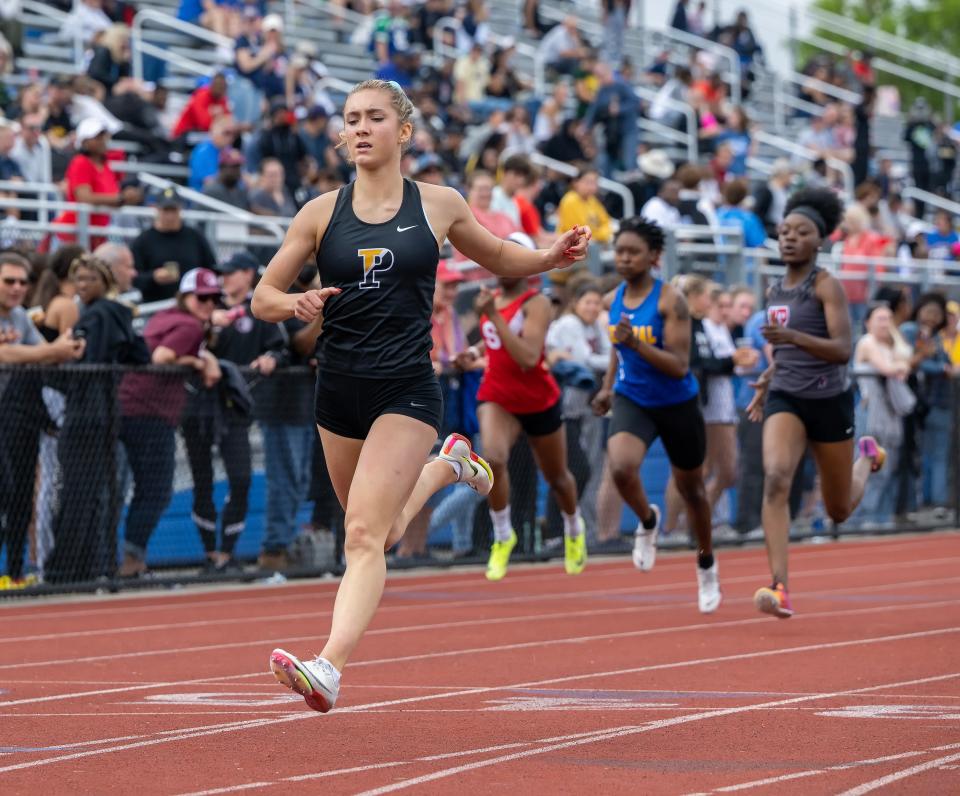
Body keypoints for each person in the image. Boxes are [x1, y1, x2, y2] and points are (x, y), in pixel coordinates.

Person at [250, 79, 589, 712]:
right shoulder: (321, 212)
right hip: (338, 389)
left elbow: (496, 257)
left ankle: (329, 666)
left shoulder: (439, 204)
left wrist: (549, 258)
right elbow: (261, 297)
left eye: (374, 117)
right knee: (378, 534)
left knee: (359, 535)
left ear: (402, 131)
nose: (359, 128)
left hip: (405, 387)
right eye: (351, 119)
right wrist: (291, 303)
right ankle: (450, 465)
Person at [747, 188, 887, 619]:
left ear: (819, 240)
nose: (789, 238)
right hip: (787, 395)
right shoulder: (774, 289)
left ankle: (867, 457)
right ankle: (779, 586)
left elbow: (842, 348)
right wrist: (766, 382)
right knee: (776, 478)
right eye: (785, 230)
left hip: (829, 400)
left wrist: (790, 338)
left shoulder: (826, 284)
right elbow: (785, 352)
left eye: (801, 232)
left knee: (839, 509)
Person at [591, 218, 720, 613]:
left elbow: (680, 365)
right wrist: (609, 387)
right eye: (620, 251)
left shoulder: (671, 302)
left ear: (653, 257)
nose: (625, 258)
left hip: (677, 403)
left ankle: (705, 563)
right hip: (634, 398)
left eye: (633, 252)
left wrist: (637, 345)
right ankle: (647, 521)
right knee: (621, 468)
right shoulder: (614, 297)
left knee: (693, 491)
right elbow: (618, 346)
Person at [456, 237, 588, 581]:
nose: (502, 264)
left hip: (536, 398)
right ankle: (503, 535)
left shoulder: (537, 302)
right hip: (498, 395)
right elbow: (496, 341)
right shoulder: (493, 302)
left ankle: (574, 528)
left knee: (558, 477)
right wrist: (474, 353)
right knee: (493, 459)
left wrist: (493, 318)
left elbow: (529, 357)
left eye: (512, 257)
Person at [44, 254, 149, 584]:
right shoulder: (119, 314)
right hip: (105, 414)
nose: (83, 285)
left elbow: (81, 363)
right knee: (98, 493)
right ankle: (95, 566)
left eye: (90, 279)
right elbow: (140, 354)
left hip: (84, 414)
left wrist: (58, 361)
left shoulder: (97, 314)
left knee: (76, 492)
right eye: (79, 279)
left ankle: (65, 571)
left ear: (105, 282)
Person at [117, 268, 221, 577]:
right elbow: (162, 356)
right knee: (157, 490)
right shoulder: (189, 326)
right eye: (202, 297)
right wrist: (193, 361)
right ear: (185, 297)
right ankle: (132, 560)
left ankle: (126, 559)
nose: (208, 303)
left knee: (132, 489)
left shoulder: (165, 317)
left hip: (128, 407)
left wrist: (201, 359)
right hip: (149, 413)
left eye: (214, 298)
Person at [0, 252, 84, 584]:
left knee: (14, 491)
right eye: (9, 281)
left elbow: (41, 354)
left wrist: (66, 346)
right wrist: (54, 350)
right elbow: (6, 355)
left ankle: (16, 573)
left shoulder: (19, 317)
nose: (18, 287)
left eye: (24, 281)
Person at [130, 187, 218, 303]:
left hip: (193, 306)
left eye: (173, 210)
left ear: (180, 208)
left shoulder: (194, 236)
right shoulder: (143, 240)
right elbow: (133, 278)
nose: (170, 216)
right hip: (156, 306)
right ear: (156, 209)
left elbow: (211, 269)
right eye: (166, 210)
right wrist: (153, 277)